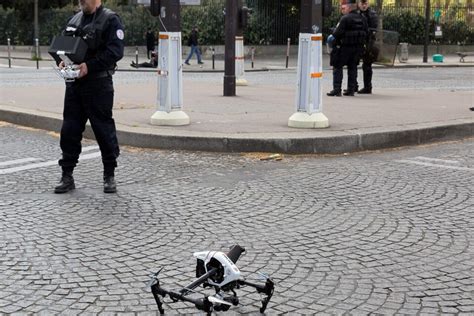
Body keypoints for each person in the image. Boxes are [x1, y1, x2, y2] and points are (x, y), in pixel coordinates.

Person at [54, 0, 124, 194]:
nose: (81, 1)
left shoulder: (110, 19)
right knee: (69, 130)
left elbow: (115, 51)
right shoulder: (74, 20)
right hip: (75, 84)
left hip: (98, 84)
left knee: (103, 130)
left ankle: (109, 175)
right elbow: (63, 46)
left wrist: (89, 66)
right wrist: (61, 61)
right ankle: (66, 175)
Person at [327, 0, 368, 97]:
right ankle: (351, 90)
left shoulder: (345, 19)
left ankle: (337, 89)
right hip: (358, 48)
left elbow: (337, 34)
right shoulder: (363, 18)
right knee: (353, 68)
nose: (342, 10)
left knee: (337, 66)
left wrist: (333, 41)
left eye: (343, 8)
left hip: (344, 47)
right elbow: (367, 32)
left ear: (349, 7)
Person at [357, 0, 378, 94]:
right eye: (362, 3)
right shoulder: (357, 13)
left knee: (367, 65)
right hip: (358, 41)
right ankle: (354, 86)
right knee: (353, 64)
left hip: (368, 42)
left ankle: (367, 87)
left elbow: (373, 30)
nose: (364, 5)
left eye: (365, 3)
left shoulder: (372, 14)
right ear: (358, 3)